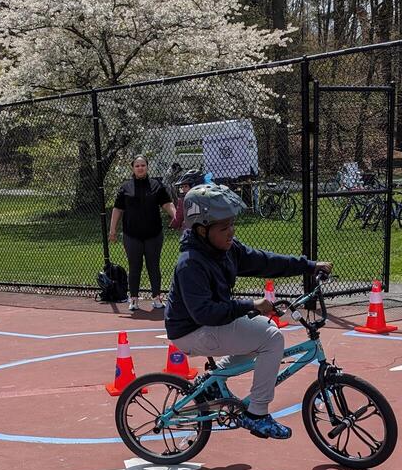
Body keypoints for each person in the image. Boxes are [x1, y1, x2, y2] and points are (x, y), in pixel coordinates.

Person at [164, 183, 332, 441]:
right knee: (271, 338)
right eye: (224, 228)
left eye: (232, 224)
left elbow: (265, 261)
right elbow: (205, 313)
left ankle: (211, 383)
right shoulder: (191, 264)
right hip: (192, 330)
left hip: (210, 323)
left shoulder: (225, 249)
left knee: (259, 334)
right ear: (201, 230)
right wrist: (250, 305)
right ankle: (257, 415)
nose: (231, 232)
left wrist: (309, 266)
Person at [109, 155, 176, 313]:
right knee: (135, 266)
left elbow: (167, 203)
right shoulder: (126, 187)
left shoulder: (156, 185)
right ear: (133, 168)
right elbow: (118, 209)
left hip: (154, 234)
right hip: (132, 235)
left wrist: (176, 217)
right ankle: (133, 299)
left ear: (147, 167)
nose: (140, 168)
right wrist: (113, 230)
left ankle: (157, 298)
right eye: (137, 165)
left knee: (154, 266)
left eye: (143, 165)